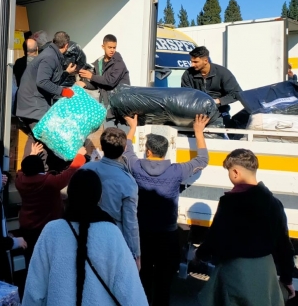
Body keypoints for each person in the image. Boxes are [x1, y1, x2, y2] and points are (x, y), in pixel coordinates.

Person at [22, 169, 148, 306]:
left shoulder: (51, 231)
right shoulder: (112, 233)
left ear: (68, 195)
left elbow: (33, 292)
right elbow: (132, 294)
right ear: (99, 197)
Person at [123, 114, 210, 306]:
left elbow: (126, 149)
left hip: (142, 235)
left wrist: (132, 128)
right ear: (165, 151)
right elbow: (202, 160)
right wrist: (198, 132)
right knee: (164, 283)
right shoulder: (177, 171)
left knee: (142, 278)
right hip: (167, 236)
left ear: (148, 151)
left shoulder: (136, 167)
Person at [194, 149, 296, 306]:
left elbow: (215, 238)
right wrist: (287, 279)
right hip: (265, 272)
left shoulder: (230, 204)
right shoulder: (274, 204)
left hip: (235, 272)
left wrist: (200, 254)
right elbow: (284, 244)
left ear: (235, 172)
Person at [16, 143, 87, 267]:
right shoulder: (50, 182)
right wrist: (80, 155)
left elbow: (21, 171)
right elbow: (71, 171)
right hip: (48, 227)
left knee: (31, 259)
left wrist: (32, 155)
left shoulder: (20, 181)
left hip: (27, 227)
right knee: (49, 260)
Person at [16, 31, 78, 172]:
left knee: (35, 138)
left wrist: (66, 73)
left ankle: (26, 173)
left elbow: (51, 80)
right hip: (33, 104)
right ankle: (39, 174)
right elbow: (43, 81)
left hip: (30, 104)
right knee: (47, 139)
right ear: (66, 45)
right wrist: (63, 91)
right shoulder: (50, 57)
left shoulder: (51, 54)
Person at [80, 127, 141, 267]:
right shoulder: (128, 181)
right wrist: (135, 254)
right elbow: (130, 222)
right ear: (125, 148)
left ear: (101, 146)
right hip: (111, 240)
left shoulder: (85, 169)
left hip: (82, 234)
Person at [181, 46, 242, 128]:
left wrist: (218, 101)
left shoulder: (223, 73)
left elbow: (237, 93)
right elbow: (185, 95)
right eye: (191, 61)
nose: (192, 64)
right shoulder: (188, 74)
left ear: (205, 60)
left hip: (220, 113)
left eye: (196, 62)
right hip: (196, 114)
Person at [77, 34, 131, 126]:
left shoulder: (119, 63)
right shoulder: (99, 63)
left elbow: (110, 81)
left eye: (114, 47)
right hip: (107, 109)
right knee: (109, 138)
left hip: (121, 110)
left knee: (122, 139)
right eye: (109, 47)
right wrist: (84, 83)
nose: (112, 50)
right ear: (103, 46)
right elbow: (97, 83)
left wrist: (91, 77)